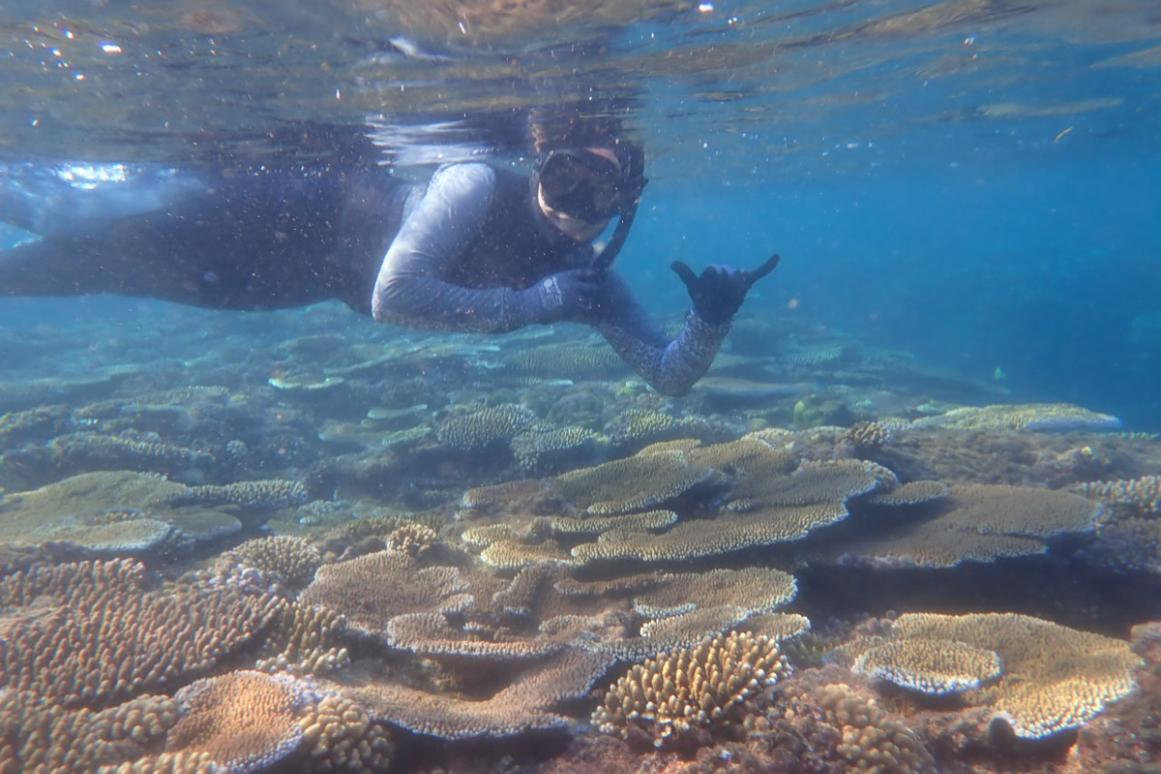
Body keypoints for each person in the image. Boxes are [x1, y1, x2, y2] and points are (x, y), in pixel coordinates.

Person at [0, 121, 778, 396]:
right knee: (67, 214)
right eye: (563, 173)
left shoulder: (591, 284)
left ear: (626, 206)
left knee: (66, 273)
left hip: (276, 284)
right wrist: (531, 306)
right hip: (274, 215)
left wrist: (708, 322)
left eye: (597, 192)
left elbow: (669, 378)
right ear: (539, 164)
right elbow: (394, 295)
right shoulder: (476, 182)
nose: (569, 202)